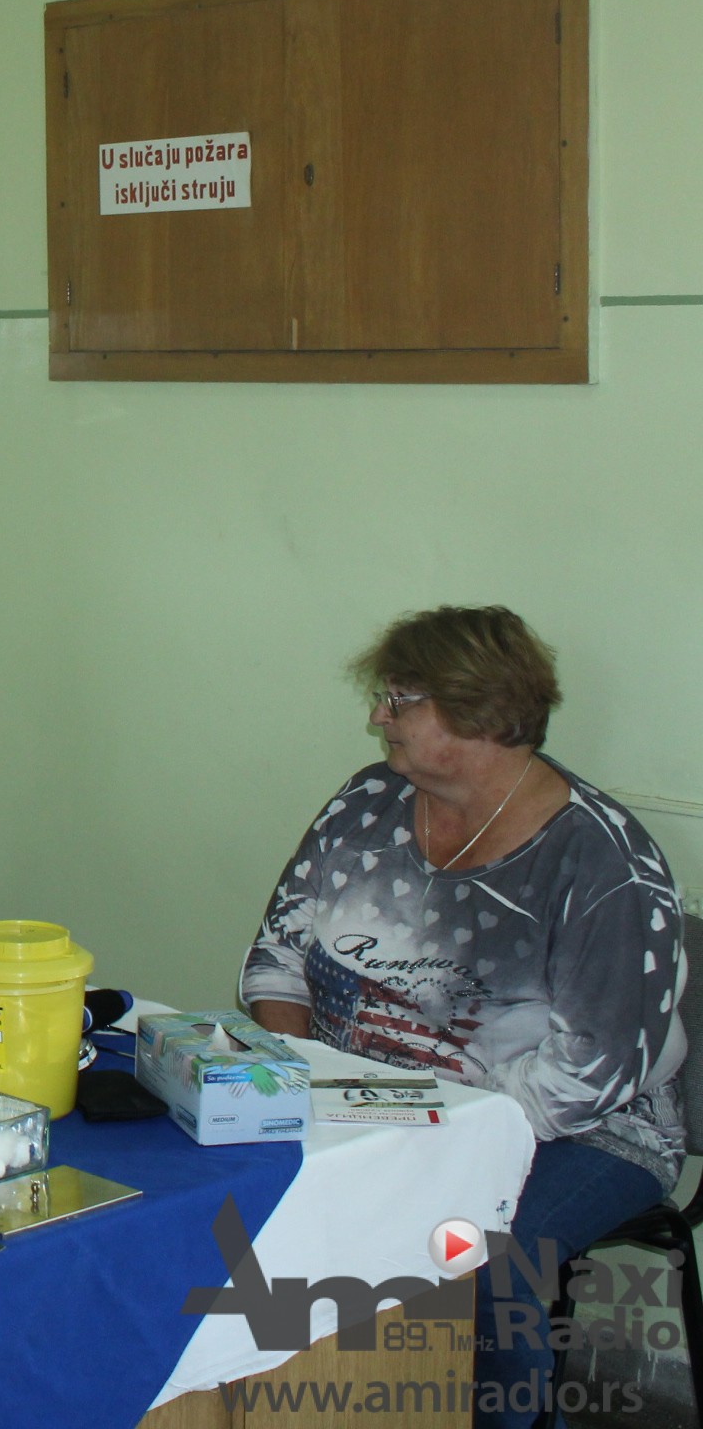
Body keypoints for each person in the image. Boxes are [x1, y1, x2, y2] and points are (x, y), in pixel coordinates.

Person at [241, 606, 684, 1429]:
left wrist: (413, 1131)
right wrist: (298, 1077)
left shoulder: (601, 863)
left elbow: (592, 1073)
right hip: (367, 1107)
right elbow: (278, 958)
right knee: (243, 1199)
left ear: (479, 714)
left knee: (470, 1257)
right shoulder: (368, 802)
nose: (379, 716)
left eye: (399, 700)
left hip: (583, 1132)